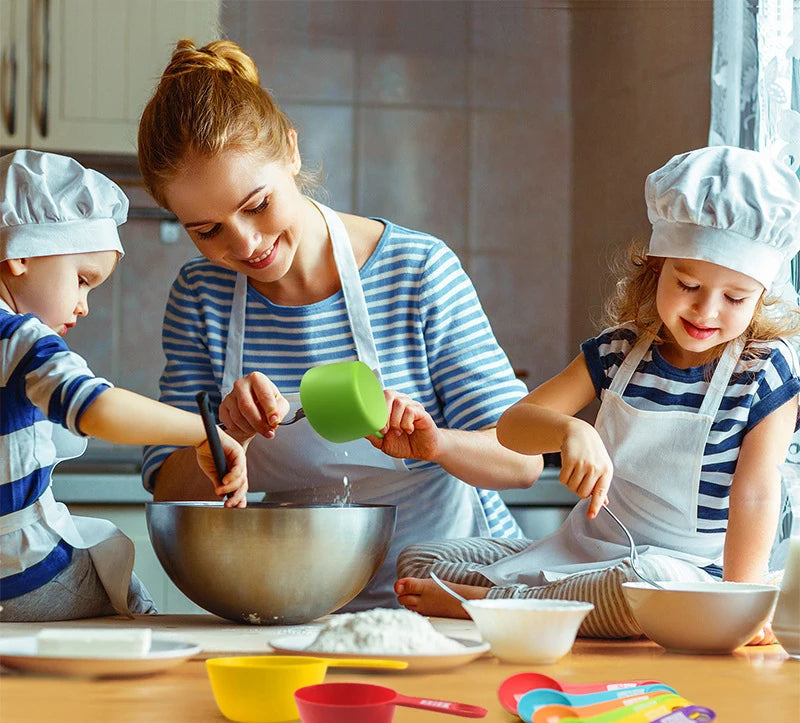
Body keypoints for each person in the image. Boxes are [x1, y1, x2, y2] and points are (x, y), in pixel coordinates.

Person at [136, 39, 543, 610]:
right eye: (207, 231)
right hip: (290, 606)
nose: (245, 244)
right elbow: (167, 487)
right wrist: (225, 433)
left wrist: (435, 444)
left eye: (256, 205)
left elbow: (523, 462)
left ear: (292, 153)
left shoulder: (417, 271)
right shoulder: (200, 297)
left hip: (446, 598)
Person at [395, 146, 800, 644]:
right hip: (587, 554)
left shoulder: (765, 371)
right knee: (422, 559)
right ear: (656, 268)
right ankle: (534, 602)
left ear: (761, 296)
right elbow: (513, 425)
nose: (706, 310)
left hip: (681, 575)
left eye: (735, 297)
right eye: (688, 283)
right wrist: (570, 429)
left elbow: (757, 492)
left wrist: (741, 603)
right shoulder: (618, 351)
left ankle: (489, 605)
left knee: (645, 591)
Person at [0, 149, 248, 623]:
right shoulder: (22, 340)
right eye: (82, 279)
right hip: (26, 575)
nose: (84, 305)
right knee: (131, 607)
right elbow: (98, 408)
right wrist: (205, 431)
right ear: (21, 255)